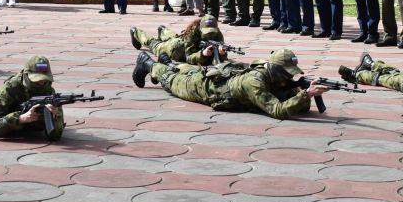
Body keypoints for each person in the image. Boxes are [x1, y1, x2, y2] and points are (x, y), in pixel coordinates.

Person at [131, 49, 330, 120]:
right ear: (277, 70)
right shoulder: (255, 82)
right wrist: (306, 94)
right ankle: (147, 63)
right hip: (205, 89)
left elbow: (300, 107)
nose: (289, 77)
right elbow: (277, 110)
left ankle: (170, 63)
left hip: (222, 77)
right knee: (171, 81)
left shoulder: (273, 74)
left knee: (188, 70)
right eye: (287, 73)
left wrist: (301, 90)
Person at [130, 14, 227, 67]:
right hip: (176, 49)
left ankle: (163, 30)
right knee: (154, 44)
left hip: (181, 40)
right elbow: (188, 58)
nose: (210, 34)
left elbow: (219, 57)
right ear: (200, 28)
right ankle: (135, 32)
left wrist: (222, 54)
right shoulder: (192, 34)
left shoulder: (217, 34)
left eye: (212, 31)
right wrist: (202, 54)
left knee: (176, 37)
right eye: (206, 32)